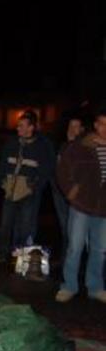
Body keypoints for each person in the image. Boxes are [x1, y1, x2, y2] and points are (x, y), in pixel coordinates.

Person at [0, 111, 55, 264]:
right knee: (5, 225)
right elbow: (3, 164)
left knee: (25, 227)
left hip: (29, 192)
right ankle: (1, 253)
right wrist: (2, 181)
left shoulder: (42, 146)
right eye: (18, 126)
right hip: (10, 190)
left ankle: (19, 259)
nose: (18, 129)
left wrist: (34, 186)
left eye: (22, 126)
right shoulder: (12, 143)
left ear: (31, 127)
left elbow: (47, 169)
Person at [55, 107, 106, 303]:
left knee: (99, 249)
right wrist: (71, 193)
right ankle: (69, 286)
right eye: (102, 124)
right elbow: (62, 170)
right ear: (95, 125)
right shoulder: (80, 145)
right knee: (75, 247)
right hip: (81, 204)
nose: (105, 129)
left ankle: (95, 287)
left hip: (103, 208)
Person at [52, 116, 86, 260]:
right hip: (60, 193)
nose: (72, 130)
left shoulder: (85, 148)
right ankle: (65, 260)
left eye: (76, 126)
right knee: (65, 227)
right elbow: (57, 169)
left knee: (76, 231)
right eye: (70, 126)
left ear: (82, 130)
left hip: (76, 196)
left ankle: (73, 261)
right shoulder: (63, 146)